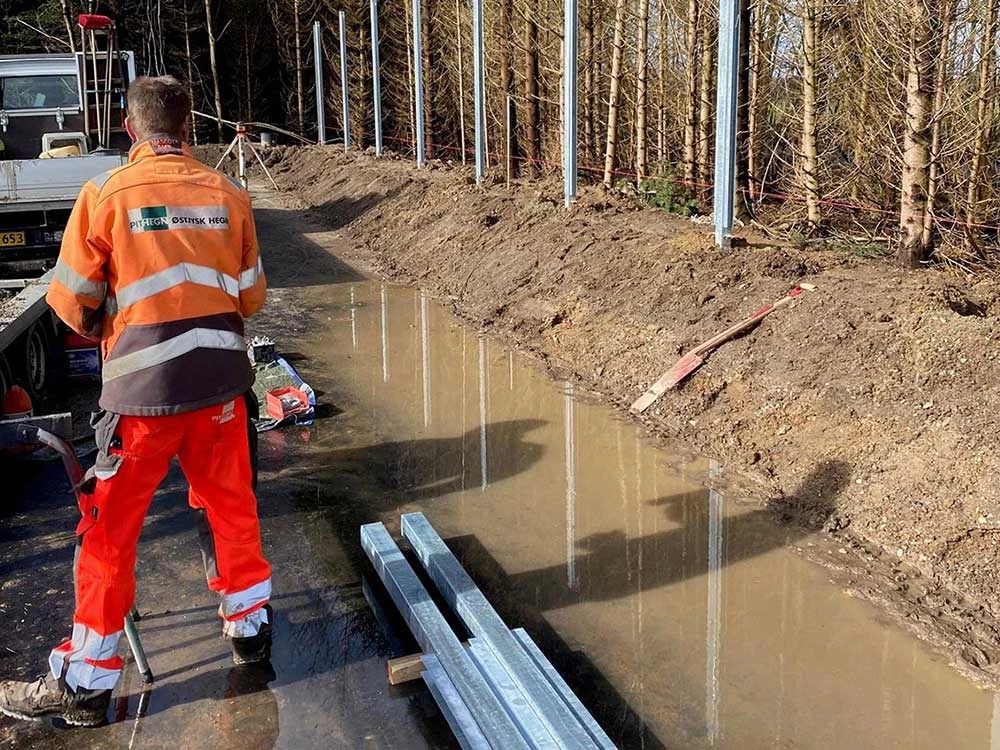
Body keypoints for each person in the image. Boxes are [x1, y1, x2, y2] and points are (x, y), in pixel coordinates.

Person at [0, 76, 272, 727]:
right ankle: (250, 632)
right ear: (188, 127)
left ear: (130, 129)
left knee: (108, 534)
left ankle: (87, 684)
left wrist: (111, 330)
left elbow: (70, 300)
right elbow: (252, 296)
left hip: (143, 403)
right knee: (230, 510)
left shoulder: (104, 195)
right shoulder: (228, 194)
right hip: (221, 393)